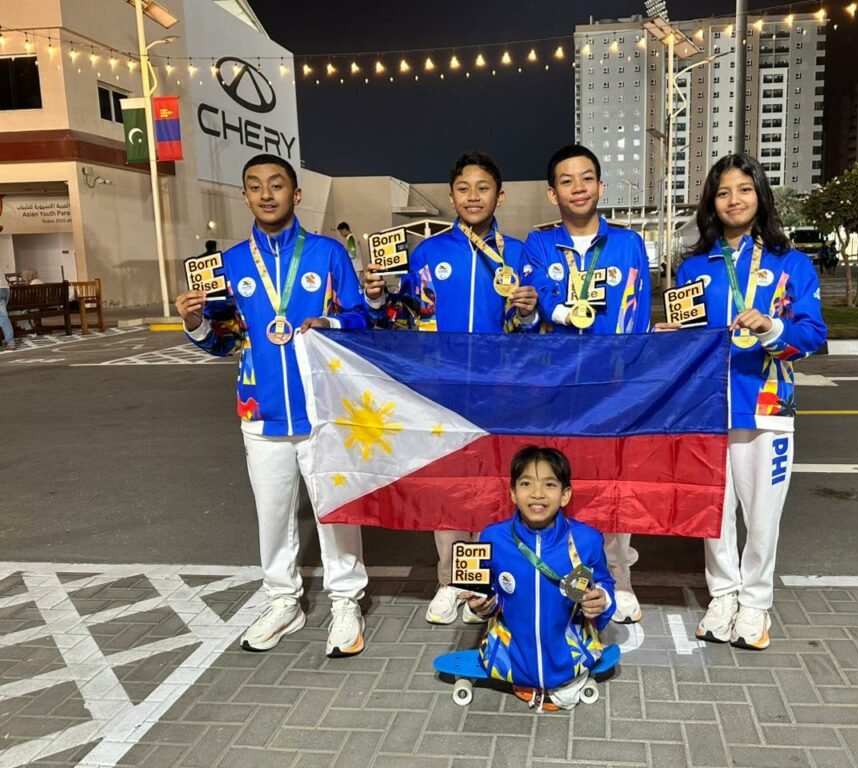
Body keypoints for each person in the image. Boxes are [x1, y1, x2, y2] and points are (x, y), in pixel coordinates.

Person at [174, 153, 371, 658]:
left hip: (324, 409)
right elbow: (223, 340)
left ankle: (346, 600)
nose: (266, 193)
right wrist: (195, 322)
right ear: (245, 196)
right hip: (259, 410)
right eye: (255, 186)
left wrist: (330, 324)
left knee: (334, 510)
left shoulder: (328, 254)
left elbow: (360, 319)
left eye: (277, 185)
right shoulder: (230, 263)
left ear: (295, 194)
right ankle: (283, 600)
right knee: (273, 513)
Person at [656, 153, 827, 650]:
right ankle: (723, 595)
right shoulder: (694, 267)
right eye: (724, 192)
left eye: (744, 190)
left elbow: (813, 335)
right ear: (712, 202)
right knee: (713, 509)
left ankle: (755, 603)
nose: (734, 200)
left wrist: (772, 326)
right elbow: (690, 337)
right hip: (708, 407)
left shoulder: (790, 264)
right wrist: (671, 337)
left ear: (760, 197)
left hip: (767, 405)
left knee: (762, 513)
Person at [362, 151, 540, 626]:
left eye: (483, 188)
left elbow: (536, 332)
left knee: (495, 489)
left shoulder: (521, 255)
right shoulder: (427, 254)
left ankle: (490, 579)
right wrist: (379, 296)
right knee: (447, 490)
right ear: (451, 196)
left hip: (502, 394)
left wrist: (527, 311)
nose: (473, 196)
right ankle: (450, 580)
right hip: (440, 393)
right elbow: (402, 318)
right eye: (464, 188)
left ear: (499, 196)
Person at [523, 144, 651, 625]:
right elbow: (536, 305)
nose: (577, 187)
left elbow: (638, 316)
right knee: (563, 484)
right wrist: (558, 312)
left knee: (616, 484)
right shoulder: (538, 245)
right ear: (551, 192)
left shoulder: (628, 243)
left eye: (586, 178)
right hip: (556, 390)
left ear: (600, 186)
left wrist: (636, 375)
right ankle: (567, 574)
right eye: (566, 180)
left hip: (613, 389)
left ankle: (619, 579)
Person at [463, 445, 615, 711]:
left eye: (549, 484)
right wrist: (480, 604)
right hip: (508, 659)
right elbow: (487, 593)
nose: (537, 494)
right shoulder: (491, 538)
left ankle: (558, 678)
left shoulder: (587, 540)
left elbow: (604, 583)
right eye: (525, 483)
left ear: (565, 494)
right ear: (512, 492)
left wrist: (602, 600)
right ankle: (526, 676)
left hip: (571, 658)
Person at [0, 272, 15, 349]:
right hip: (5, 288)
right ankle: (9, 341)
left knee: (2, 317)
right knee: (3, 317)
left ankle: (10, 342)